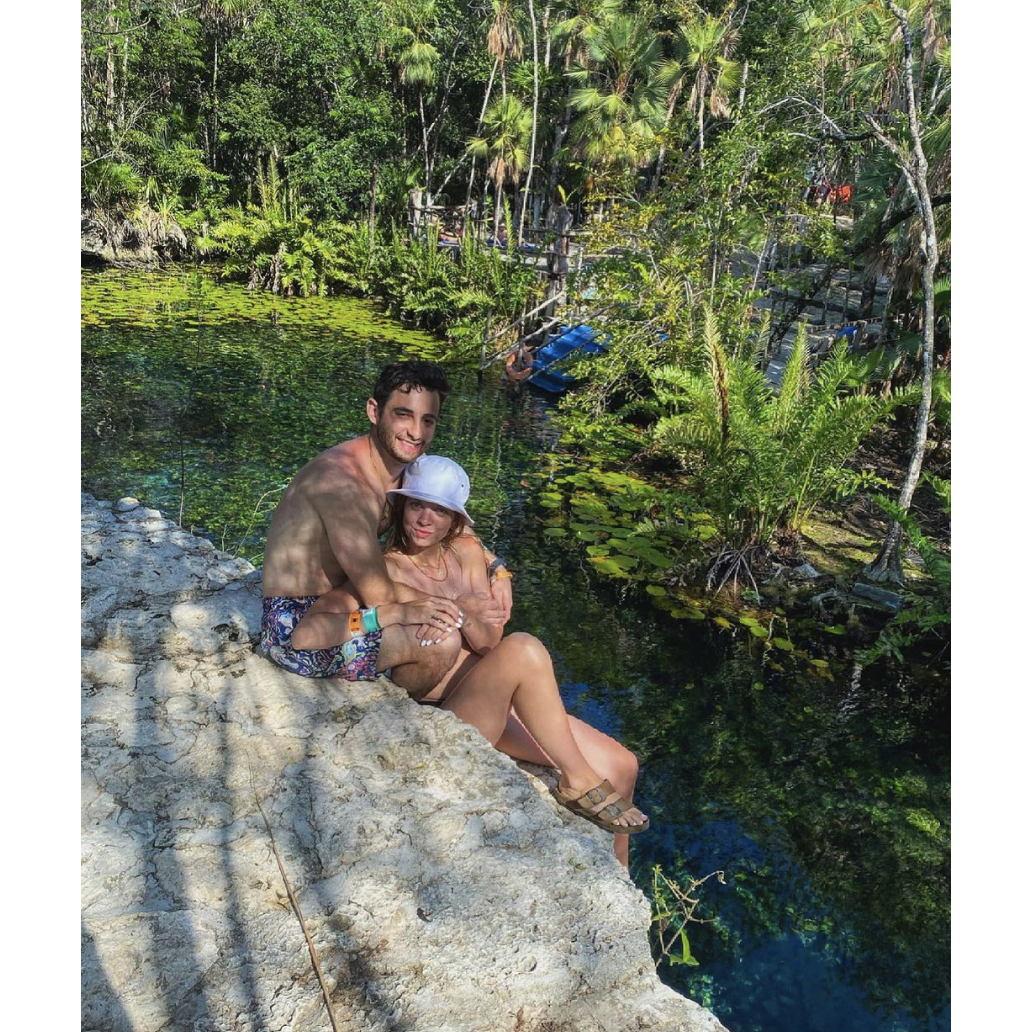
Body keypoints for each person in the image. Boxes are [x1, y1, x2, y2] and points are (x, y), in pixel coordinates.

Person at [323, 454, 650, 865]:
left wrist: (478, 589)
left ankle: (620, 879)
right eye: (417, 505)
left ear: (454, 520)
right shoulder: (387, 570)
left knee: (623, 764)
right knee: (524, 647)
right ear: (402, 506)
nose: (425, 519)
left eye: (440, 510)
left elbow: (488, 641)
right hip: (449, 711)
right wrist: (466, 606)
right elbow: (355, 613)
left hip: (498, 691)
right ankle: (577, 779)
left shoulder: (465, 552)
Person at [257, 361, 512, 698]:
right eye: (403, 415)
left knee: (475, 653)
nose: (416, 433)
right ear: (374, 411)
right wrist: (458, 606)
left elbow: (450, 520)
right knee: (441, 642)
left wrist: (496, 567)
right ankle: (398, 708)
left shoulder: (399, 466)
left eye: (428, 421)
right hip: (299, 625)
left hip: (348, 604)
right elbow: (380, 595)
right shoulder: (343, 485)